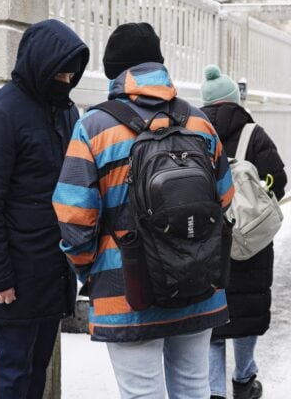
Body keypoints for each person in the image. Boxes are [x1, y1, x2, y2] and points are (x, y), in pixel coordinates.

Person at [53, 22, 234, 399]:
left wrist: (90, 268)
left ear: (114, 71)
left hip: (127, 286)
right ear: (159, 66)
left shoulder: (94, 127)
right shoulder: (200, 122)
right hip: (199, 281)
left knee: (141, 393)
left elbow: (73, 214)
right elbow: (226, 198)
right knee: (194, 386)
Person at [0, 19, 89, 399]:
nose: (66, 79)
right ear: (40, 64)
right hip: (14, 275)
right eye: (61, 71)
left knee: (37, 369)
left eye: (72, 72)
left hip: (53, 268)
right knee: (13, 371)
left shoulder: (67, 113)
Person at [199, 65, 286, 399]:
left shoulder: (195, 134)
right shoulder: (255, 134)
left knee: (213, 322)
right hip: (251, 240)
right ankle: (244, 378)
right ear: (236, 101)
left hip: (208, 242)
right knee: (247, 313)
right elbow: (278, 181)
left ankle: (214, 391)